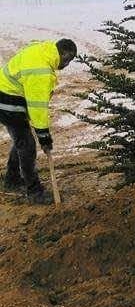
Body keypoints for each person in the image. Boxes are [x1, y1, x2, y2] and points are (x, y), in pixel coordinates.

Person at [0, 38, 77, 204]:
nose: (67, 65)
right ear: (63, 54)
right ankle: (34, 192)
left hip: (6, 91)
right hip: (8, 101)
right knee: (27, 145)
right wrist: (44, 136)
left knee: (22, 139)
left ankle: (11, 179)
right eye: (68, 60)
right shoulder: (41, 72)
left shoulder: (43, 50)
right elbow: (37, 107)